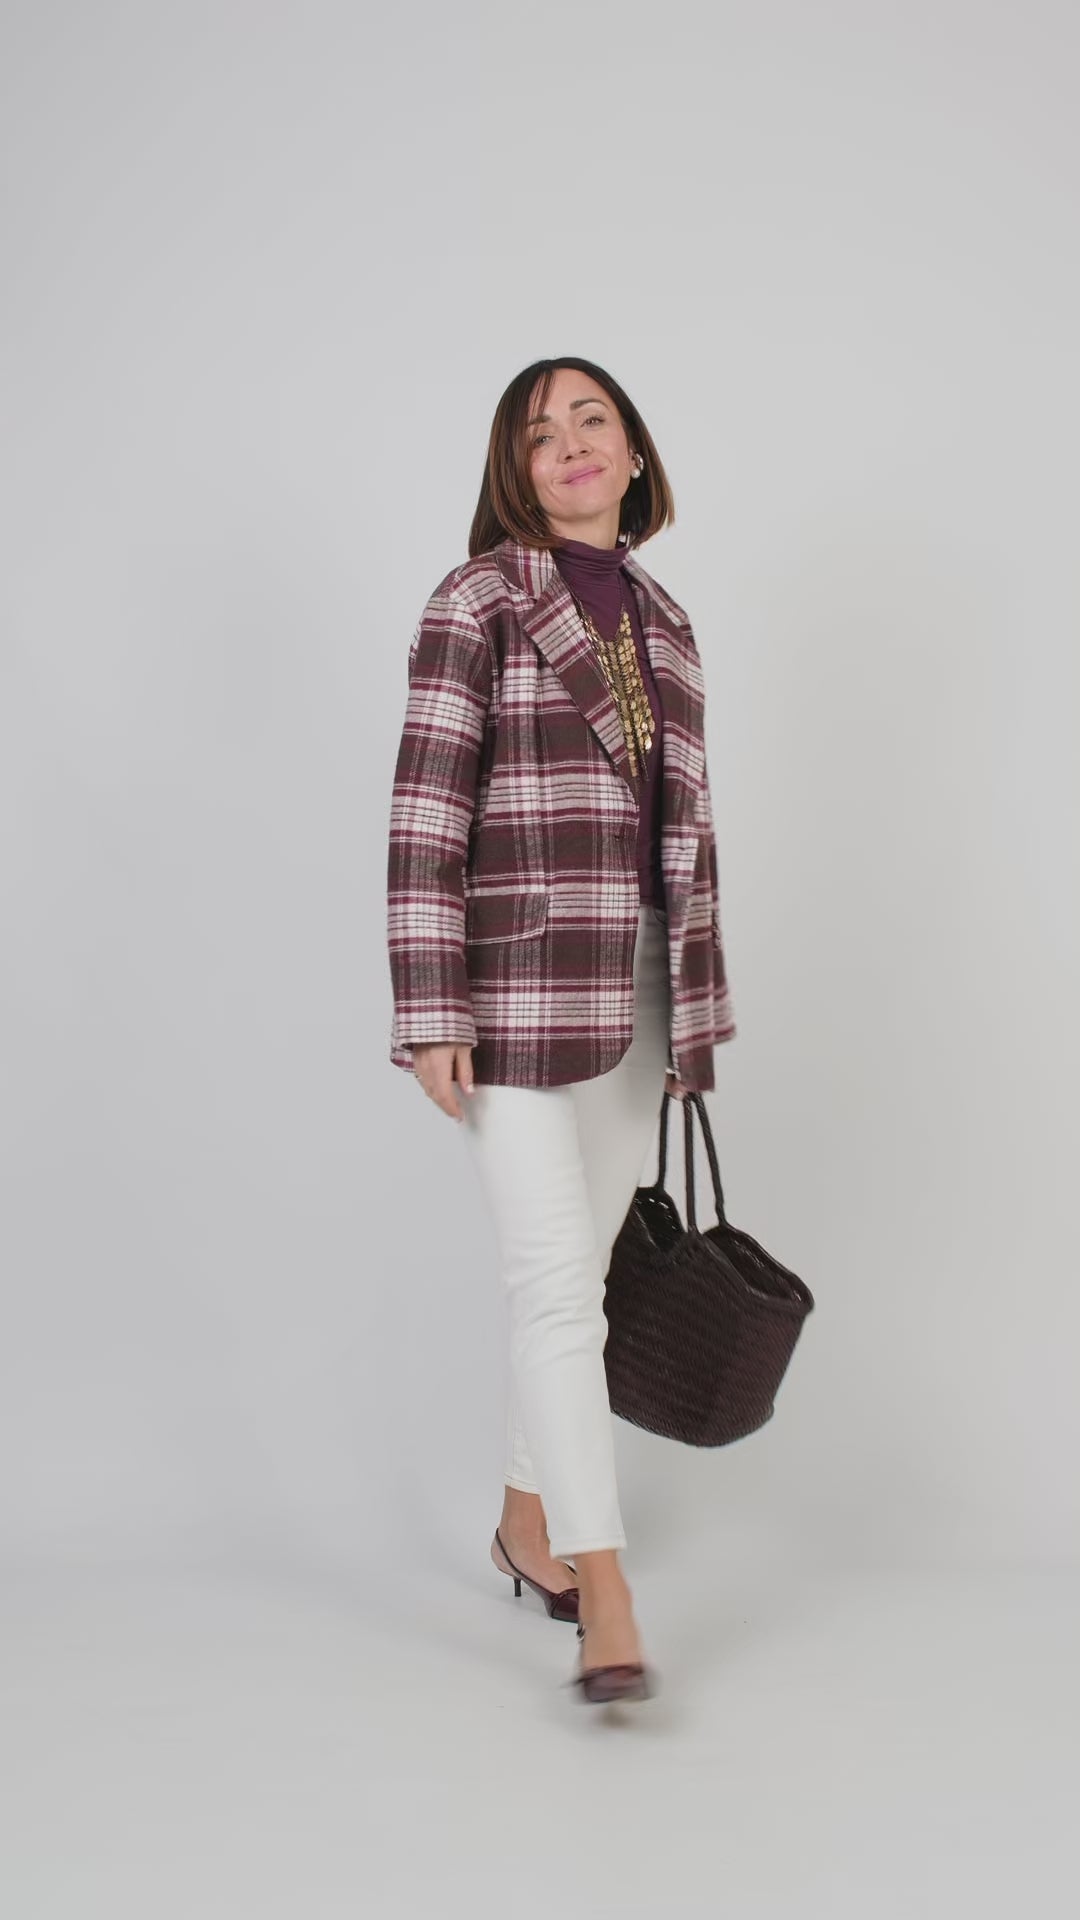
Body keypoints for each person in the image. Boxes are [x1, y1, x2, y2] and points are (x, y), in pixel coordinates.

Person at [386, 356, 735, 1704]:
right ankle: (609, 1590)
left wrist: (694, 1003)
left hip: (640, 986)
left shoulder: (669, 619)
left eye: (595, 420)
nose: (573, 444)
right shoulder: (477, 599)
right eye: (542, 434)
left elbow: (686, 831)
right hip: (514, 991)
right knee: (549, 1284)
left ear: (635, 454)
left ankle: (524, 1526)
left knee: (582, 1281)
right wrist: (431, 1009)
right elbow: (428, 808)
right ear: (516, 474)